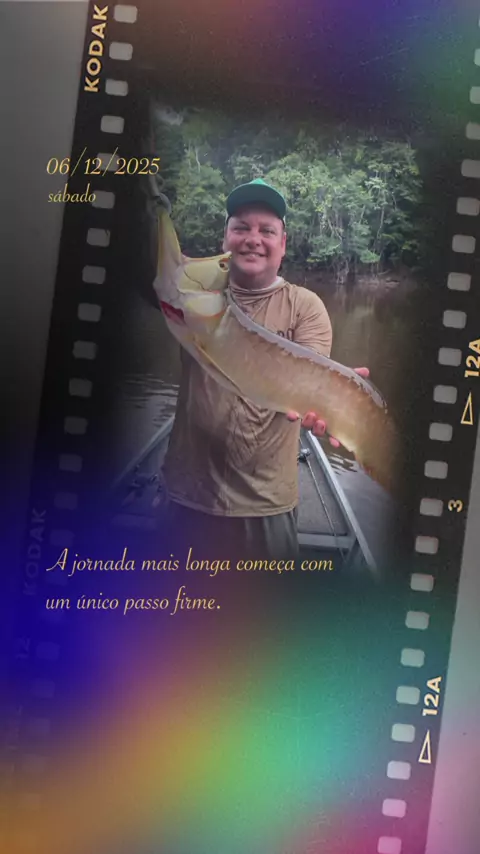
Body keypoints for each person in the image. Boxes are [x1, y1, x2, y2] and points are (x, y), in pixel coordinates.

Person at [161, 179, 368, 561]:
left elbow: (308, 380)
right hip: (186, 494)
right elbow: (146, 263)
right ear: (225, 238)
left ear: (283, 244)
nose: (253, 239)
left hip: (265, 506)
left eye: (266, 231)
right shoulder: (192, 293)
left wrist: (331, 394)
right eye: (241, 227)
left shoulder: (305, 306)